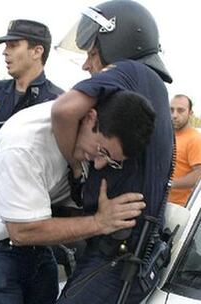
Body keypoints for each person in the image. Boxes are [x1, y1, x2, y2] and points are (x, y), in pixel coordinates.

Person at [0, 90, 154, 304]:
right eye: (102, 152)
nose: (99, 164)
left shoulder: (88, 129)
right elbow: (22, 232)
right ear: (90, 118)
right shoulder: (24, 145)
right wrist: (99, 222)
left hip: (40, 244)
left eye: (111, 161)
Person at [51, 1, 174, 303]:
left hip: (116, 258)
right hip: (119, 257)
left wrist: (77, 164)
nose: (87, 64)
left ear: (116, 43)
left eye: (92, 53)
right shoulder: (148, 87)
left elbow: (64, 110)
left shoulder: (133, 71)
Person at [0, 19, 63, 129]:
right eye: (6, 46)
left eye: (13, 46)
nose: (4, 52)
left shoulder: (56, 101)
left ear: (37, 52)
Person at [168, 94, 201, 206]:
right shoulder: (167, 136)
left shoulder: (195, 139)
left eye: (180, 110)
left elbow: (198, 175)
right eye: (171, 110)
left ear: (190, 113)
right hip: (158, 203)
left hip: (177, 208)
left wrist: (168, 184)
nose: (174, 115)